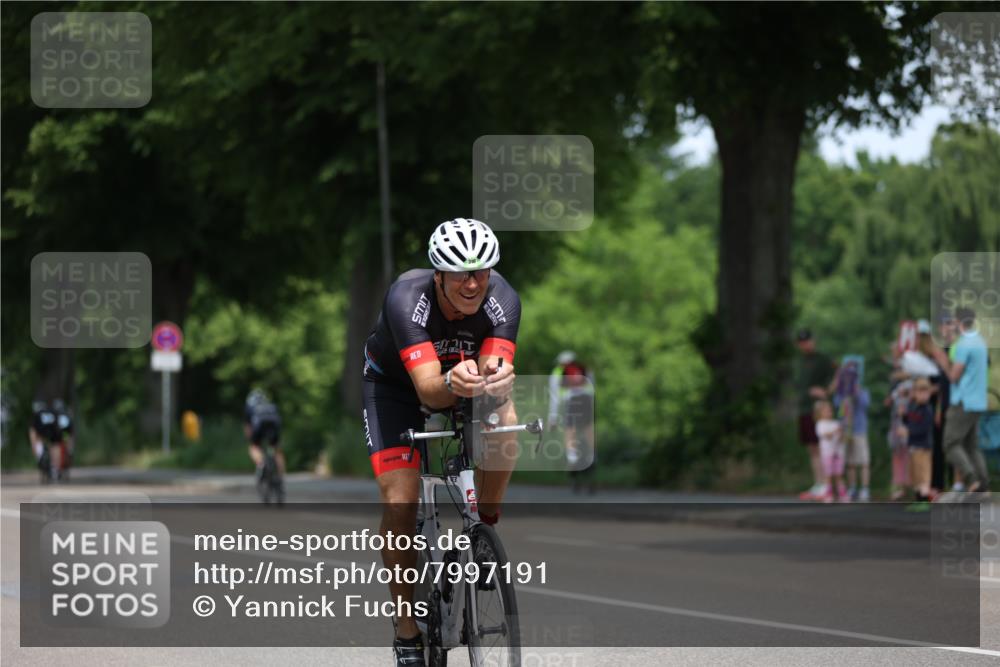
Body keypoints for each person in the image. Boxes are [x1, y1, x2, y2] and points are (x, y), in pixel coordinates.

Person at [361, 218, 519, 667]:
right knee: (400, 499)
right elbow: (430, 390)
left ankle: (485, 532)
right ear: (439, 276)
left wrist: (499, 383)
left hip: (460, 381)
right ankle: (406, 630)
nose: (473, 284)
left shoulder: (503, 300)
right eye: (461, 274)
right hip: (395, 387)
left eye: (482, 272)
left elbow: (493, 378)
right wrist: (454, 379)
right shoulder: (406, 299)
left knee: (506, 422)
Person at [930, 306, 990, 494]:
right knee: (972, 446)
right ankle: (983, 485)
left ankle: (971, 479)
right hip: (979, 401)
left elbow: (954, 376)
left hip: (964, 402)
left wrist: (942, 360)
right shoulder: (980, 341)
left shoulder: (964, 344)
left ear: (959, 322)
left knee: (950, 444)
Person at [548, 350, 596, 494]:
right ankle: (592, 456)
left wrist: (553, 418)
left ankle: (572, 456)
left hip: (572, 402)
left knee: (570, 431)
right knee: (588, 431)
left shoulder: (558, 372)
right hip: (587, 401)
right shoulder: (585, 369)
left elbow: (555, 397)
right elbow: (593, 388)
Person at [795, 329, 834, 500]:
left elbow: (838, 374)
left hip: (817, 409)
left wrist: (825, 391)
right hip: (804, 407)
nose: (806, 344)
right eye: (802, 342)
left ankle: (827, 483)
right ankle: (818, 482)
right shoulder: (800, 361)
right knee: (811, 447)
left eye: (808, 341)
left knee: (821, 446)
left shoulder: (823, 359)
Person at [831, 360, 871, 501]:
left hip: (859, 429)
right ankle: (852, 487)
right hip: (846, 431)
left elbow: (865, 405)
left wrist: (856, 390)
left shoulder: (862, 390)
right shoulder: (841, 392)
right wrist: (840, 389)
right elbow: (836, 406)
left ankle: (865, 489)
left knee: (864, 461)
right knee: (850, 462)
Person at [901, 377, 935, 500]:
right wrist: (904, 416)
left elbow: (923, 429)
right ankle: (918, 498)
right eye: (919, 391)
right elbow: (908, 421)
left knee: (923, 473)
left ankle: (924, 498)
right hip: (912, 446)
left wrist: (908, 432)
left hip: (923, 446)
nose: (923, 395)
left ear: (929, 393)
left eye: (925, 392)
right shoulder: (912, 406)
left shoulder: (927, 410)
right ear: (914, 393)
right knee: (914, 473)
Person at [243, 389, 285, 483]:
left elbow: (248, 426)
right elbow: (278, 421)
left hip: (259, 428)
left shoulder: (249, 407)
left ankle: (261, 464)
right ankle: (280, 475)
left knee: (254, 447)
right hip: (273, 428)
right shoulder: (271, 406)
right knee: (277, 450)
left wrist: (250, 438)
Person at [814, 399, 847, 502]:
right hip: (827, 454)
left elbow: (841, 439)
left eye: (830, 410)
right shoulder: (820, 424)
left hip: (838, 453)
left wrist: (842, 432)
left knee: (838, 475)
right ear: (820, 413)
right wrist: (836, 430)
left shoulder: (836, 423)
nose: (829, 412)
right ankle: (829, 494)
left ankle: (842, 494)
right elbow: (826, 436)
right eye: (826, 411)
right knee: (828, 475)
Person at [887, 379, 913, 500]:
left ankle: (907, 488)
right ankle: (898, 487)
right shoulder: (896, 399)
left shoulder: (911, 401)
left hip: (907, 433)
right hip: (896, 434)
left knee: (908, 460)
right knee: (897, 460)